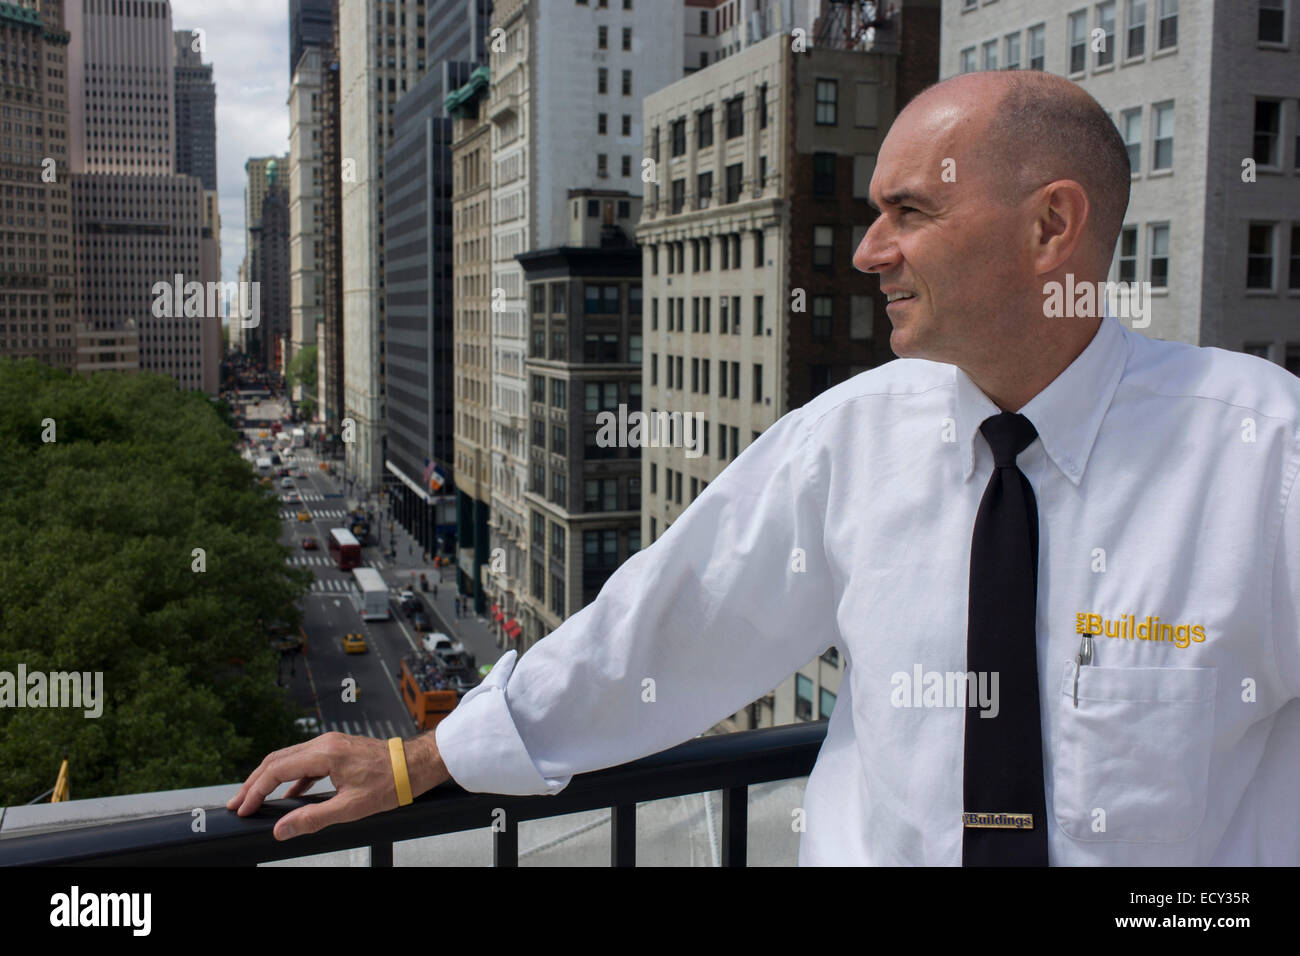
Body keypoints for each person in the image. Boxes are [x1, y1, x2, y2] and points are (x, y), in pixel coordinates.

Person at [226, 71, 1300, 864]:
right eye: (871, 211)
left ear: (1049, 227)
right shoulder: (848, 442)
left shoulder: (1264, 456)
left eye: (908, 212)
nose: (870, 249)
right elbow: (666, 624)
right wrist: (421, 760)